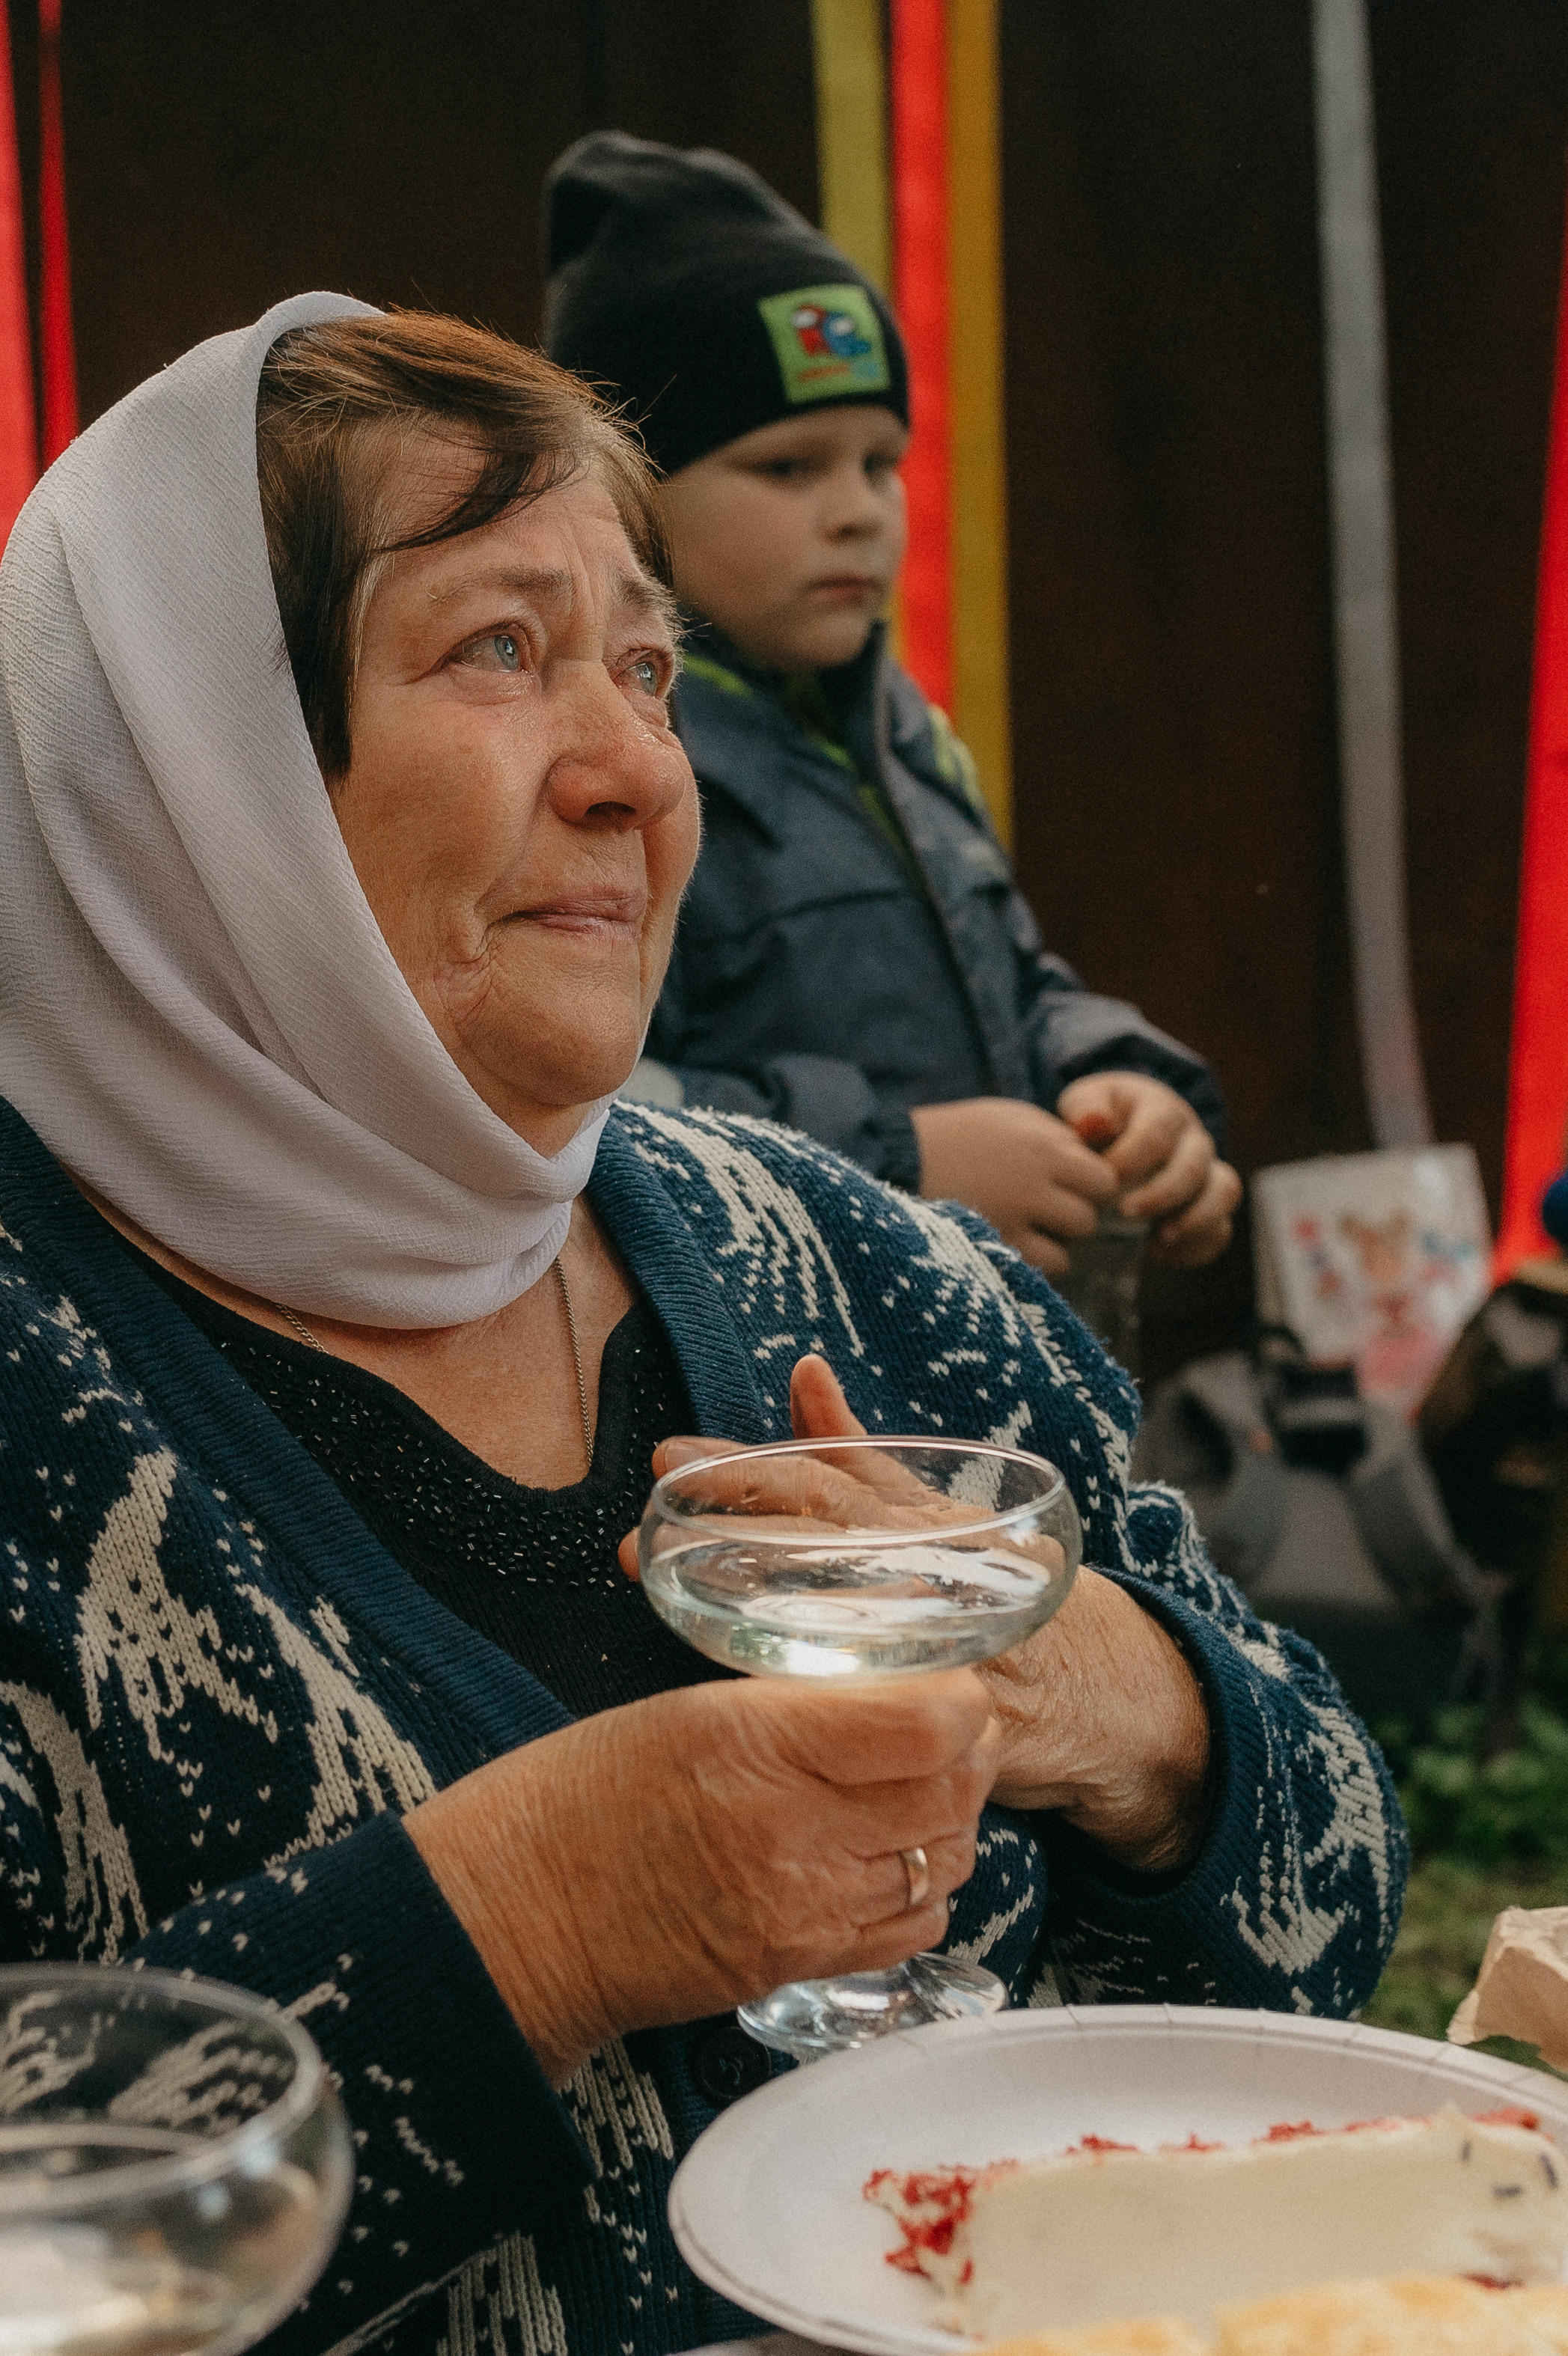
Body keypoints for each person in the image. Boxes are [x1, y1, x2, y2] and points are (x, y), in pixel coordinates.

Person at [0, 295, 1403, 2356]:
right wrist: (535, 1914)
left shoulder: (873, 1276)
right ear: (190, 768)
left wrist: (1120, 1703)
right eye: (500, 647)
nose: (645, 777)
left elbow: (1343, 1894)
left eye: (649, 667)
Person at [543, 132, 1244, 1280]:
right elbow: (579, 1112)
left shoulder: (900, 732)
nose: (861, 512)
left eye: (882, 463)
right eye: (790, 466)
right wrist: (900, 1162)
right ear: (629, 497)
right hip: (777, 1397)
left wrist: (1120, 1087)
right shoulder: (600, 773)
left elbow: (1014, 983)